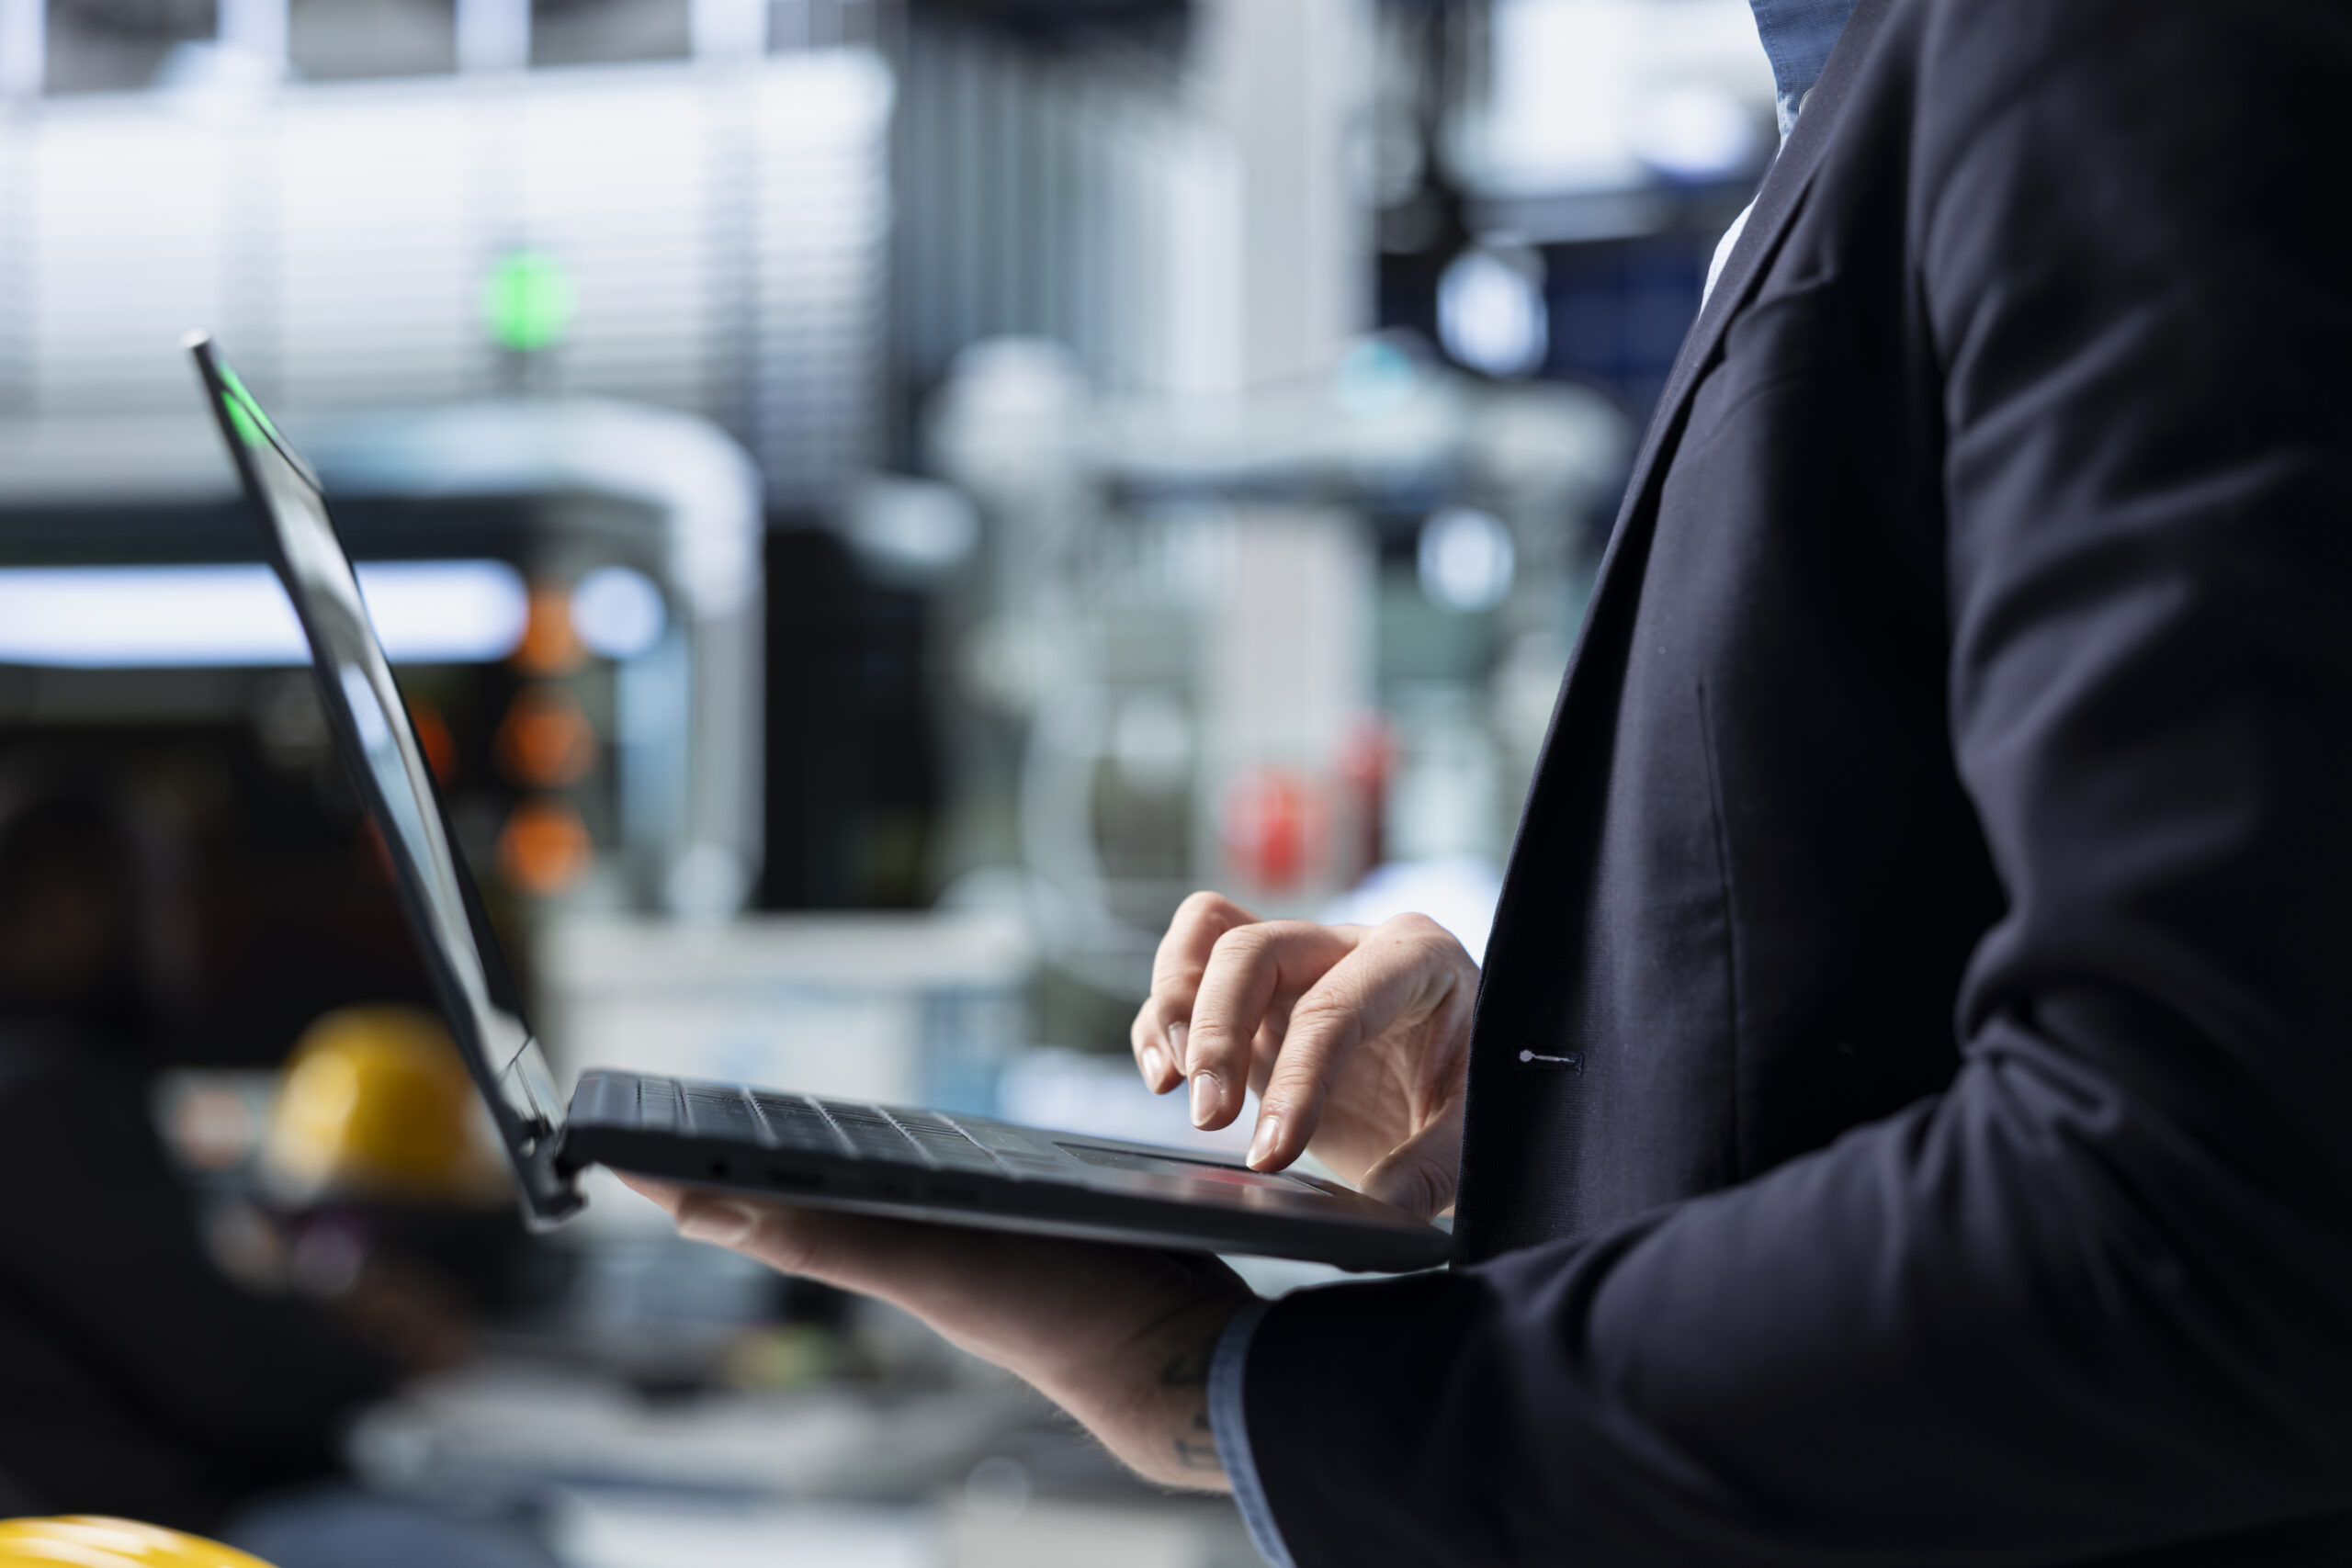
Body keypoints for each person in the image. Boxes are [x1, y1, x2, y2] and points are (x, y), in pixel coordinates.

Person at [624, 0, 2352, 1562]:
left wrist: (1238, 1392)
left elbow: (2211, 1209)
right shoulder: (1884, 90)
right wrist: (1590, 1080)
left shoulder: (2097, 49)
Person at [0, 778, 550, 1568]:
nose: (184, 940)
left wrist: (317, 1311)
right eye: (165, 902)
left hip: (121, 1519)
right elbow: (221, 1371)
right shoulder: (42, 1103)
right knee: (514, 1545)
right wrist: (369, 1343)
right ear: (65, 905)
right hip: (168, 1530)